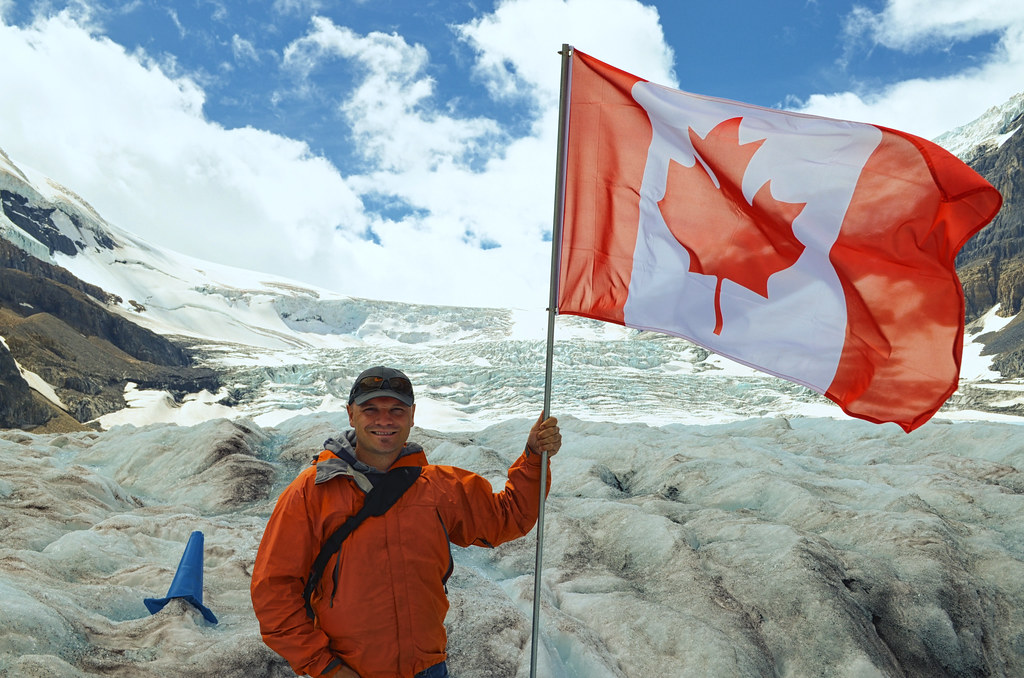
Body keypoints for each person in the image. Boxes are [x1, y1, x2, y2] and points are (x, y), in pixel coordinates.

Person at [251, 365, 562, 678]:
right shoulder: (312, 491)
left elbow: (507, 517)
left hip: (427, 669)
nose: (384, 420)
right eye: (371, 409)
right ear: (350, 414)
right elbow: (273, 591)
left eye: (396, 410)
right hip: (349, 671)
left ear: (412, 416)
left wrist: (534, 456)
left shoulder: (438, 487)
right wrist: (325, 667)